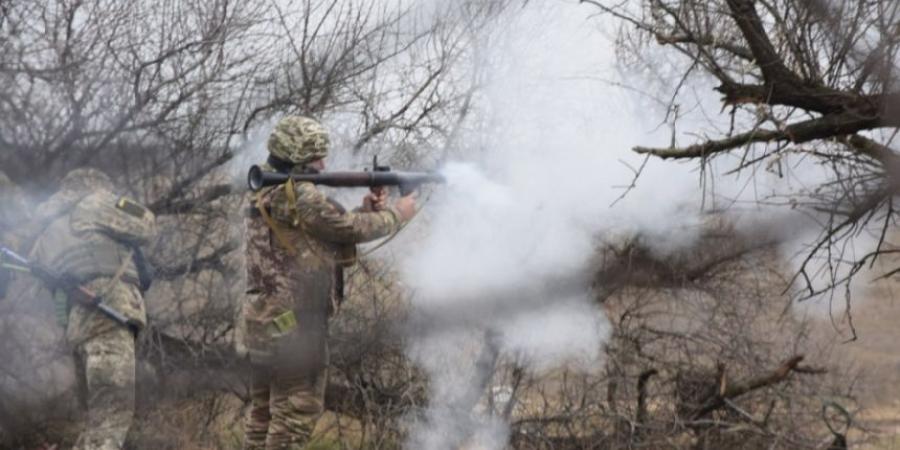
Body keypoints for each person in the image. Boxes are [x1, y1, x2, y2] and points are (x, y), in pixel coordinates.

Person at [242, 116, 416, 449]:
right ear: (298, 155)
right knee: (295, 414)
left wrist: (366, 209)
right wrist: (397, 213)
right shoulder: (298, 195)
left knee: (263, 417)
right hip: (296, 324)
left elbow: (319, 236)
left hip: (264, 319)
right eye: (316, 157)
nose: (323, 163)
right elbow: (346, 230)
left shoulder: (265, 188)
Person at [28, 168, 156, 450]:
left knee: (96, 423)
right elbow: (147, 223)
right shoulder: (94, 203)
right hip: (111, 315)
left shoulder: (47, 227)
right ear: (96, 186)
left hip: (79, 327)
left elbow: (40, 275)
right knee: (111, 420)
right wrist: (118, 201)